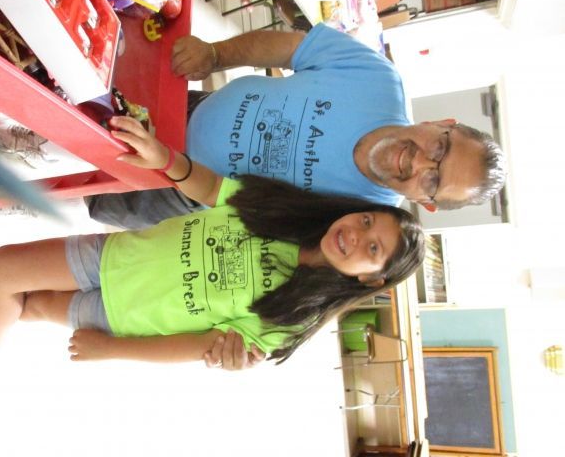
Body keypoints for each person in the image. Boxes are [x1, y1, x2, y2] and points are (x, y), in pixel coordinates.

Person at [85, 24, 507, 368]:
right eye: (441, 148)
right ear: (442, 123)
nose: (420, 162)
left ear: (426, 203)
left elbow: (303, 287)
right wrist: (214, 55)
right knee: (84, 90)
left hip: (174, 193)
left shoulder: (372, 221)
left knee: (75, 178)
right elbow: (292, 49)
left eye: (433, 181)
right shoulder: (379, 79)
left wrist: (242, 347)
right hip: (185, 106)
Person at [0, 116, 425, 384]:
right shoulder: (285, 212)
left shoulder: (293, 317)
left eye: (372, 247)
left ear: (371, 277)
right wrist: (163, 158)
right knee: (7, 266)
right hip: (117, 255)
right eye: (366, 220)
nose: (355, 235)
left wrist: (114, 349)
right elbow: (211, 187)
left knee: (35, 305)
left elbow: (196, 347)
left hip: (125, 314)